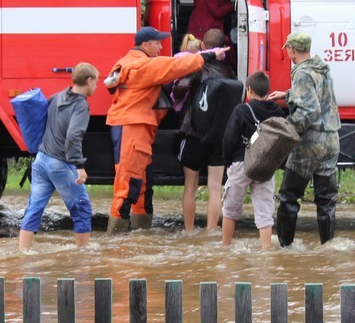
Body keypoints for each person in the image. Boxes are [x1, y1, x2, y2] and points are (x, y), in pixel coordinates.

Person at [105, 26, 228, 233]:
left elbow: (111, 85)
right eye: (157, 43)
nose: (161, 47)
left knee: (142, 183)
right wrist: (209, 55)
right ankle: (117, 244)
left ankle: (139, 236)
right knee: (129, 184)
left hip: (134, 126)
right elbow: (176, 65)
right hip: (132, 127)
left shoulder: (126, 63)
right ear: (145, 45)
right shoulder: (143, 66)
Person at [266, 32, 341, 246]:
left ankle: (285, 248)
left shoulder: (301, 73)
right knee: (326, 200)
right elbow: (317, 96)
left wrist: (287, 129)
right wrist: (287, 94)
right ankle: (328, 246)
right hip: (332, 139)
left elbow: (310, 110)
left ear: (292, 49)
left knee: (289, 195)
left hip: (311, 143)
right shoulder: (321, 68)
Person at [19, 62, 99, 252]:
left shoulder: (58, 96)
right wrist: (79, 166)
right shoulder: (81, 106)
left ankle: (23, 253)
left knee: (34, 208)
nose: (97, 86)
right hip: (60, 164)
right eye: (96, 82)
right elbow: (73, 136)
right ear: (88, 81)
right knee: (82, 209)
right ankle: (83, 254)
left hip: (41, 160)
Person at [174, 28, 236, 235]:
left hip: (194, 133)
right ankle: (211, 231)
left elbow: (180, 88)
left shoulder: (197, 66)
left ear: (203, 46)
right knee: (215, 187)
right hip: (219, 137)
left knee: (190, 187)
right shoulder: (230, 71)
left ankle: (190, 231)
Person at [221, 70, 284, 249]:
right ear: (268, 91)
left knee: (230, 210)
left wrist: (228, 162)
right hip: (265, 166)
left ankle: (225, 247)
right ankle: (266, 251)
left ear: (249, 90)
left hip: (242, 164)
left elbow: (228, 140)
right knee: (264, 212)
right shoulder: (277, 112)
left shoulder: (242, 110)